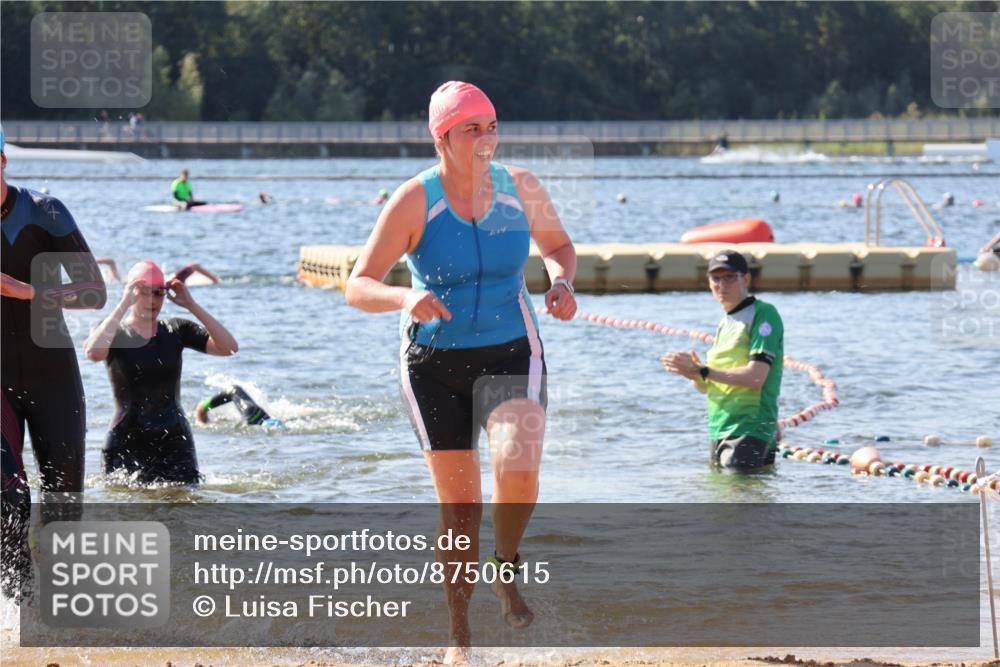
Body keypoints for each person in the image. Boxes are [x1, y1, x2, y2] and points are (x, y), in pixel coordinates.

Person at [344, 81, 577, 664]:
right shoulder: (415, 200)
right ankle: (459, 634)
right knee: (461, 510)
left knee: (517, 467)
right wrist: (404, 298)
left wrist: (562, 282)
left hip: (511, 350)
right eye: (471, 128)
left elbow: (559, 247)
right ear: (442, 137)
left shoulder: (521, 188)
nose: (485, 138)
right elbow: (358, 285)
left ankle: (506, 566)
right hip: (433, 365)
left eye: (491, 126)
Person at [1, 124, 107, 600]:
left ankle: (64, 615)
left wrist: (29, 292)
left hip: (53, 376)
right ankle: (16, 613)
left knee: (64, 511)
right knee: (8, 500)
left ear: (3, 161)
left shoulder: (45, 211)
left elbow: (94, 292)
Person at [83, 261, 238, 485]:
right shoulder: (113, 330)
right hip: (126, 439)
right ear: (131, 292)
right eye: (143, 292)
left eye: (158, 293)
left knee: (184, 502)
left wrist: (191, 305)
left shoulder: (176, 329)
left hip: (174, 440)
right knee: (122, 502)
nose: (152, 300)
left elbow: (229, 348)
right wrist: (123, 303)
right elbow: (93, 352)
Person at [661, 250, 784, 471]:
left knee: (737, 492)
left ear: (746, 279)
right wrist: (694, 374)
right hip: (719, 429)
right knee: (721, 491)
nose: (721, 285)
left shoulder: (763, 313)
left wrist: (703, 371)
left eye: (729, 278)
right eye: (715, 278)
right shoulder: (726, 322)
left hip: (749, 429)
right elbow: (709, 386)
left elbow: (756, 377)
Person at [196, 384, 284, 427]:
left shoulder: (201, 409)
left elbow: (200, 408)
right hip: (259, 418)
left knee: (233, 389)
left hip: (256, 417)